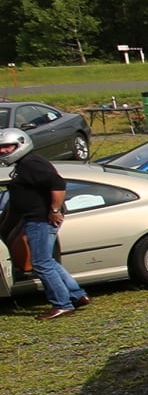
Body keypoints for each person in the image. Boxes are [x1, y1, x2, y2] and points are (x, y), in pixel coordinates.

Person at [0, 128, 89, 319]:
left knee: (41, 264)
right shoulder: (24, 164)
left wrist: (55, 210)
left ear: (21, 144)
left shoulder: (32, 163)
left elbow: (58, 184)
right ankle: (77, 295)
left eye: (8, 147)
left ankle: (62, 304)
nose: (3, 151)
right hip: (35, 219)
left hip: (41, 220)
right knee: (48, 261)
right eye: (1, 148)